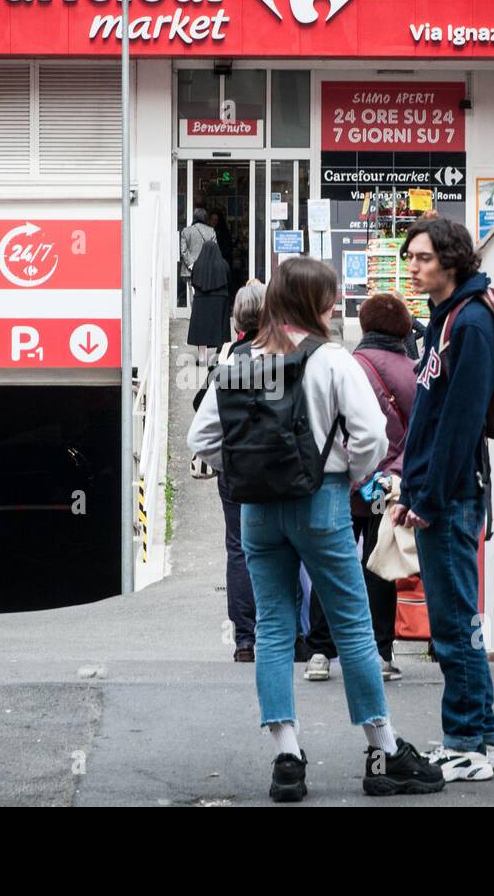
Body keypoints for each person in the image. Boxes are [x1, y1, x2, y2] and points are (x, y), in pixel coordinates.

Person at [188, 257, 444, 802]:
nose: (336, 306)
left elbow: (202, 439)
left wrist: (246, 470)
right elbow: (373, 436)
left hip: (256, 509)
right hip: (321, 502)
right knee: (352, 625)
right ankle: (382, 750)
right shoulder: (329, 359)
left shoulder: (242, 357)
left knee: (275, 628)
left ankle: (286, 757)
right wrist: (345, 474)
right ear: (314, 302)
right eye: (331, 297)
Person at [389, 215, 494, 783]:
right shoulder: (447, 318)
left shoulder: (473, 324)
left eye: (423, 258)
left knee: (454, 624)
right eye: (410, 257)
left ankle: (464, 742)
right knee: (460, 621)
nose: (413, 267)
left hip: (454, 496)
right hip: (441, 492)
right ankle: (485, 735)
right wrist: (414, 490)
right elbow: (433, 416)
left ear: (452, 261)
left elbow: (458, 425)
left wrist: (428, 498)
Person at [303, 293, 418, 684]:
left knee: (329, 563)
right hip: (389, 485)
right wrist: (395, 471)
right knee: (380, 565)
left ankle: (319, 651)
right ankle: (381, 653)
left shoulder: (346, 367)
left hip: (344, 479)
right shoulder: (415, 373)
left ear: (365, 327)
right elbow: (417, 437)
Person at [193, 282, 266, 662]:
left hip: (237, 473)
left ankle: (245, 639)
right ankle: (293, 635)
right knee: (282, 547)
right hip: (279, 472)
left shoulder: (230, 363)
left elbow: (201, 434)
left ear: (237, 318)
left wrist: (225, 462)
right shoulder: (286, 359)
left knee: (239, 549)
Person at [186, 217, 231, 364]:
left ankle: (202, 357)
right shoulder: (223, 265)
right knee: (221, 329)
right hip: (221, 300)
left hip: (201, 301)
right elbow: (229, 280)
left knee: (201, 330)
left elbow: (193, 281)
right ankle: (221, 358)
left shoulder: (198, 265)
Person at [179, 207, 216, 310]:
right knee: (206, 293)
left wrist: (192, 265)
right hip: (206, 269)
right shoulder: (211, 231)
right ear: (205, 218)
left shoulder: (186, 231)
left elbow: (183, 250)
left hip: (190, 269)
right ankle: (204, 314)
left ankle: (194, 314)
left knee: (193, 292)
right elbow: (214, 250)